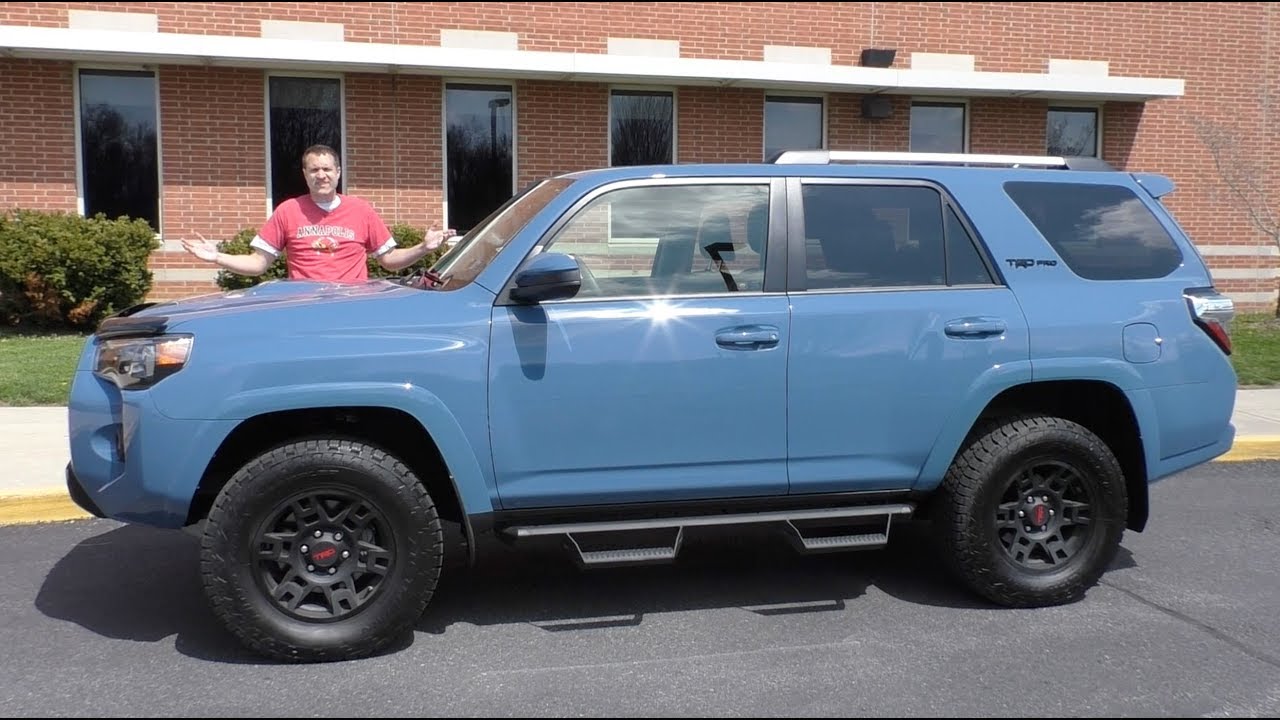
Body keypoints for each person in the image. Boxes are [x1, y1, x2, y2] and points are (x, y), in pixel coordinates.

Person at [181, 144, 455, 282]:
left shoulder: (361, 210)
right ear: (305, 175)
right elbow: (259, 263)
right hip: (303, 310)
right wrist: (216, 256)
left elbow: (388, 260)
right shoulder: (288, 210)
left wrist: (423, 247)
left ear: (338, 173)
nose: (321, 175)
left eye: (327, 169)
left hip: (352, 310)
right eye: (314, 170)